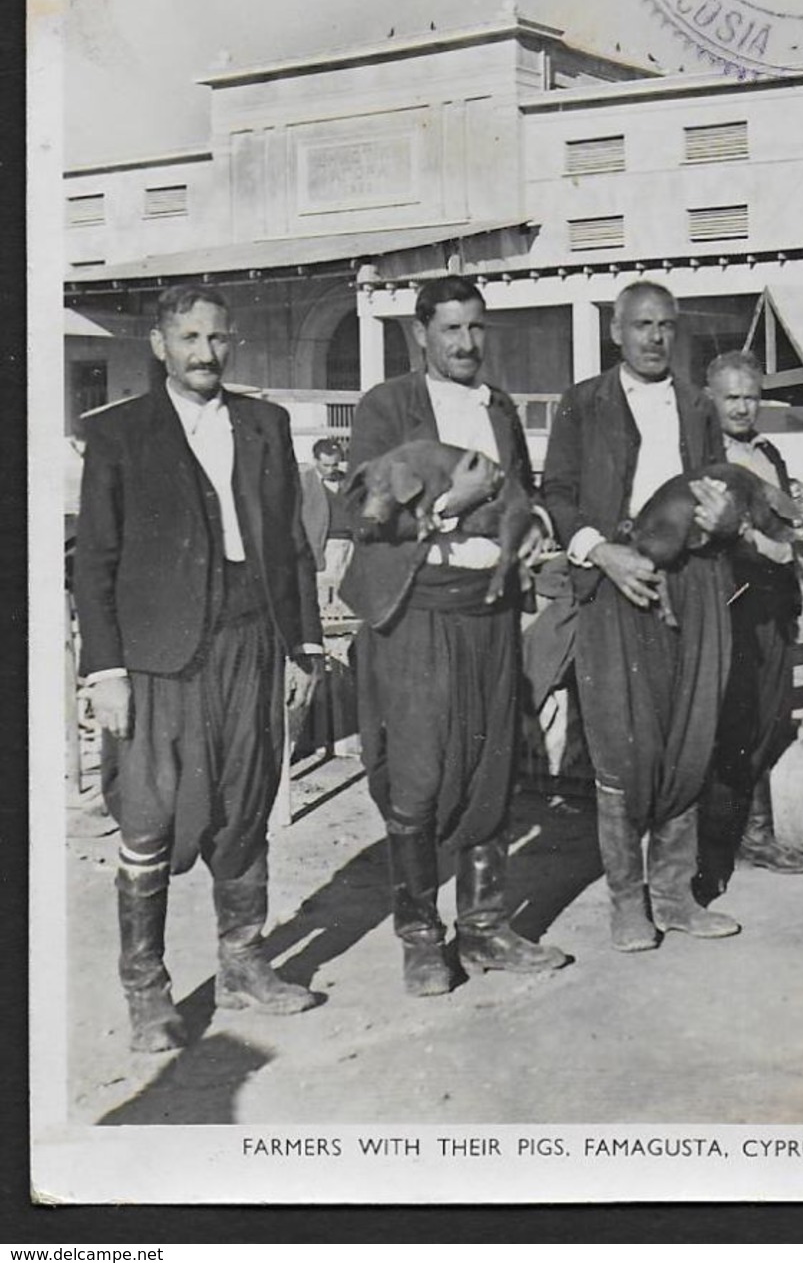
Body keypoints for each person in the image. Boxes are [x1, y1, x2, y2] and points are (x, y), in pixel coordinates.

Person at [73, 285, 324, 1052]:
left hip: (252, 639)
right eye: (188, 338)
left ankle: (245, 964)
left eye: (217, 338)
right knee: (148, 814)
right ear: (159, 345)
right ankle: (146, 992)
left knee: (247, 802)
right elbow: (96, 561)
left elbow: (291, 543)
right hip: (158, 657)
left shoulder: (265, 423)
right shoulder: (119, 433)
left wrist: (303, 644)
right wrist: (105, 671)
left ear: (232, 343)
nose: (204, 353)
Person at [341, 275, 568, 996]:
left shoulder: (498, 406)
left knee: (490, 768)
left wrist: (530, 534)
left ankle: (485, 926)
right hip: (417, 611)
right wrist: (449, 504)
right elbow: (365, 513)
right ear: (422, 335)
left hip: (489, 609)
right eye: (451, 330)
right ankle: (419, 937)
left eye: (476, 329)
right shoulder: (387, 405)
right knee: (417, 775)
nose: (467, 344)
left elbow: (522, 494)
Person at [541, 281, 740, 951]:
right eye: (642, 325)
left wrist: (725, 515)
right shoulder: (582, 403)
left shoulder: (697, 404)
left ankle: (675, 895)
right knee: (625, 745)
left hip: (695, 580)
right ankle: (628, 901)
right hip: (614, 584)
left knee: (690, 734)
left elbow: (720, 482)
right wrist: (603, 553)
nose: (655, 338)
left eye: (666, 327)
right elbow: (558, 496)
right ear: (617, 332)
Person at [696, 351, 803, 899]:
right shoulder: (703, 456)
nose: (743, 407)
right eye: (732, 397)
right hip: (730, 602)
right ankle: (720, 843)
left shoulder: (769, 452)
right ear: (710, 398)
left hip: (775, 603)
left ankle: (757, 834)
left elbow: (785, 525)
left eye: (751, 396)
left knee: (769, 719)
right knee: (731, 723)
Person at [300, 437, 353, 611]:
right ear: (315, 461)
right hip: (324, 544)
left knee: (345, 591)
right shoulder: (304, 482)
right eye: (326, 465)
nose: (331, 470)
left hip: (350, 544)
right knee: (323, 590)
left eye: (335, 465)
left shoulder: (347, 481)